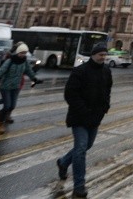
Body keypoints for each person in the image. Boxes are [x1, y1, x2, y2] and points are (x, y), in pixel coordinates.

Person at [56, 43, 113, 198]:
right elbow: (70, 94)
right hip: (79, 117)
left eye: (104, 55)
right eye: (100, 54)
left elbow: (107, 90)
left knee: (87, 145)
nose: (103, 57)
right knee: (81, 148)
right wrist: (84, 110)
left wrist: (105, 107)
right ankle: (79, 186)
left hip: (95, 116)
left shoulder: (106, 71)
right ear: (93, 55)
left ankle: (63, 162)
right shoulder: (80, 71)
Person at [0, 43, 39, 134]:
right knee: (7, 106)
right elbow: (0, 72)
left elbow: (29, 71)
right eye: (21, 53)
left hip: (16, 87)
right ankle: (0, 124)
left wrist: (34, 79)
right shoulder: (10, 61)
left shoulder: (24, 61)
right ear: (17, 52)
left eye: (25, 53)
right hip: (5, 87)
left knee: (12, 106)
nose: (23, 55)